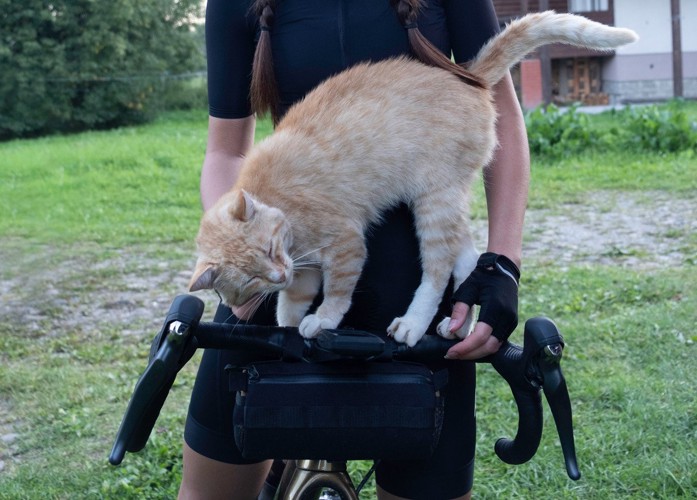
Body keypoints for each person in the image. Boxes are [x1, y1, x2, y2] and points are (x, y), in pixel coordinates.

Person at [179, 1, 529, 499]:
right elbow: (226, 151)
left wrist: (502, 264)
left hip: (411, 294)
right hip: (283, 280)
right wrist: (242, 250)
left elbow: (503, 115)